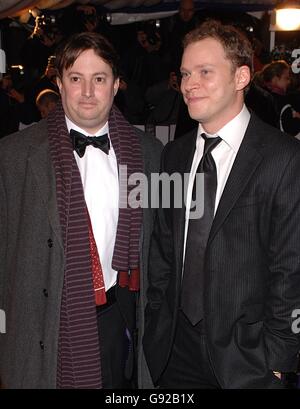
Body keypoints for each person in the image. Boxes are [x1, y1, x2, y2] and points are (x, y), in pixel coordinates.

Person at [143, 20, 300, 389]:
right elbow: (162, 251)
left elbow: (291, 269)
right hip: (173, 349)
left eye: (204, 72)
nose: (189, 84)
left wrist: (279, 359)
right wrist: (156, 322)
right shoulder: (174, 156)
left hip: (248, 359)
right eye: (184, 73)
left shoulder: (285, 158)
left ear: (241, 77)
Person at [0, 31, 162, 389]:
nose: (87, 92)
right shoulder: (11, 156)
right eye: (76, 79)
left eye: (99, 79)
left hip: (120, 318)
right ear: (59, 84)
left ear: (116, 85)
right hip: (41, 323)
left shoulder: (150, 155)